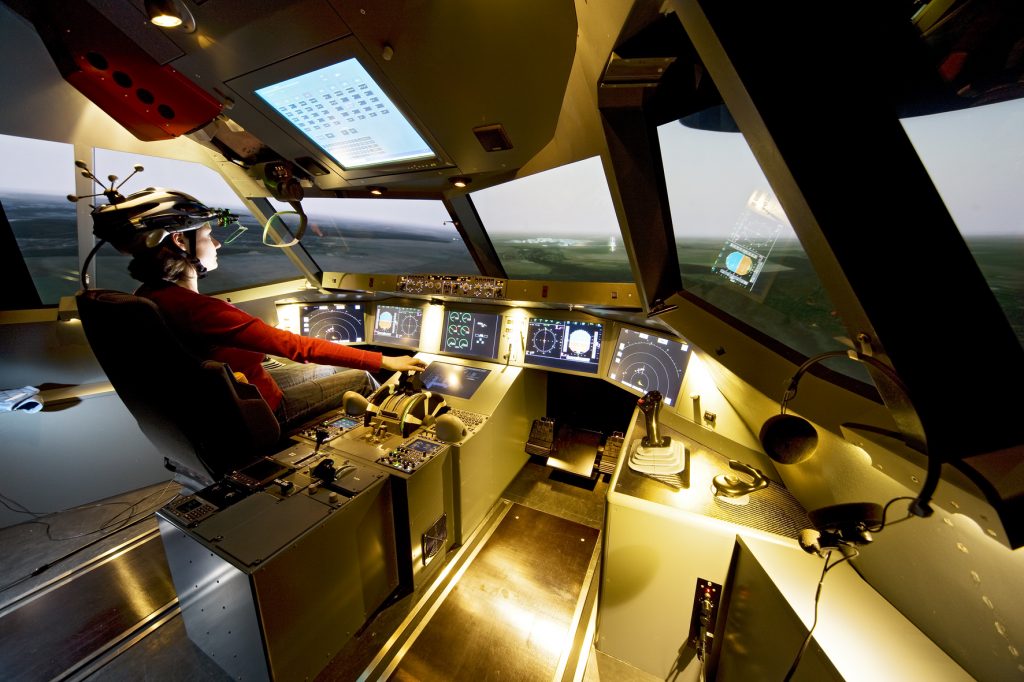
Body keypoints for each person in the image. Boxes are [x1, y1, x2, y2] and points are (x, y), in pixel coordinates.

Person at [89, 187, 425, 430]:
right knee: (363, 378)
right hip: (262, 409)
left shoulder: (148, 296)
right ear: (180, 242)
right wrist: (384, 360)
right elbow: (298, 347)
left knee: (330, 369)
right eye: (208, 234)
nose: (216, 243)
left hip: (228, 400)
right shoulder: (196, 308)